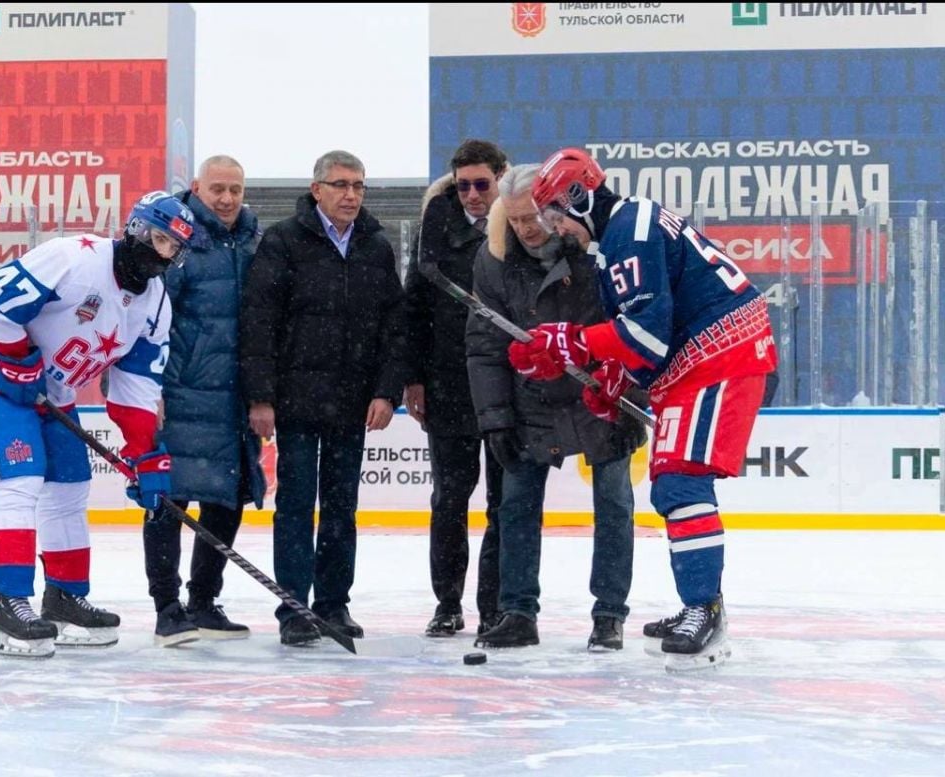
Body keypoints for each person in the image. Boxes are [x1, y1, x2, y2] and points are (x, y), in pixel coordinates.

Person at [511, 147, 777, 668]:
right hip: (707, 356)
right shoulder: (622, 235)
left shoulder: (628, 231)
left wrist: (572, 343)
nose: (555, 228)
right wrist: (616, 374)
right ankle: (698, 603)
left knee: (680, 481)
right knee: (672, 483)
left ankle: (705, 607)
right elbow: (645, 343)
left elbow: (648, 336)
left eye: (554, 213)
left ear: (579, 197)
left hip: (723, 355)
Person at [0, 190, 196, 659]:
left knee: (69, 486)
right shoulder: (72, 257)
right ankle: (8, 602)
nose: (163, 252)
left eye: (173, 247)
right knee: (18, 481)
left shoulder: (156, 305)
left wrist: (145, 453)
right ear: (136, 228)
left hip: (52, 392)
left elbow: (136, 386)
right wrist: (16, 359)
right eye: (159, 238)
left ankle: (63, 595)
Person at [467, 163, 647, 650]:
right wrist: (495, 417)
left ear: (556, 208)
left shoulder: (599, 250)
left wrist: (631, 397)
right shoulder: (494, 260)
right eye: (516, 218)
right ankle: (518, 612)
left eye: (534, 217)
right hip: (532, 400)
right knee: (516, 507)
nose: (527, 228)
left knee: (614, 505)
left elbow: (638, 328)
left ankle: (609, 614)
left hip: (602, 396)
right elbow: (484, 346)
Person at [240, 150, 408, 647]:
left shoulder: (375, 246)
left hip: (353, 402)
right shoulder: (283, 241)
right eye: (340, 185)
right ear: (317, 190)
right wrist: (261, 397)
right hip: (294, 402)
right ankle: (294, 608)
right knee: (295, 504)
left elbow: (391, 328)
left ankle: (334, 604)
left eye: (358, 185)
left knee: (341, 507)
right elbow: (259, 324)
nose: (351, 194)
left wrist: (386, 391)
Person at [144, 155, 266, 646]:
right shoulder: (175, 243)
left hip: (233, 397)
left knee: (226, 496)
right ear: (197, 187)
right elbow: (146, 318)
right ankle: (167, 607)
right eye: (218, 188)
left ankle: (203, 601)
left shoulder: (253, 243)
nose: (227, 198)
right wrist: (147, 391)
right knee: (169, 500)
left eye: (235, 189)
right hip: (179, 393)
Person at [404, 139, 509, 638]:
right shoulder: (434, 227)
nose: (472, 195)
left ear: (500, 178)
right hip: (448, 383)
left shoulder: (520, 220)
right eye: (464, 185)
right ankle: (448, 602)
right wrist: (414, 377)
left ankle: (496, 605)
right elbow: (414, 306)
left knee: (504, 502)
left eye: (481, 184)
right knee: (450, 497)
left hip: (508, 383)